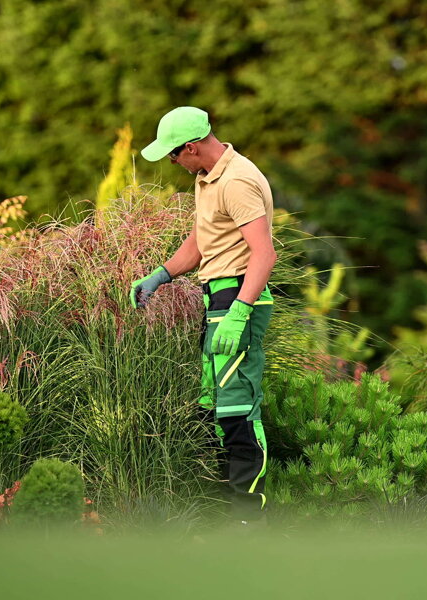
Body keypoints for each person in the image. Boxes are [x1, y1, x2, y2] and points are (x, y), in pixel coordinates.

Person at [130, 106, 277, 522]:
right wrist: (160, 275)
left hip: (238, 299)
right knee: (212, 408)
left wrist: (239, 313)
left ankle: (250, 520)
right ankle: (225, 514)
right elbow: (201, 241)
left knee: (237, 412)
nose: (173, 164)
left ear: (191, 147)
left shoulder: (238, 180)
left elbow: (264, 254)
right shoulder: (207, 178)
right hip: (218, 299)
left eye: (174, 156)